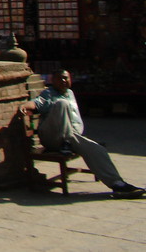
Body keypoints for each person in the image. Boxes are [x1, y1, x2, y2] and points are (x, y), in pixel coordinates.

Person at [20, 69, 143, 198]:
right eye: (60, 78)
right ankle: (66, 141)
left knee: (97, 149)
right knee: (62, 103)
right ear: (53, 81)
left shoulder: (70, 93)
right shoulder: (49, 93)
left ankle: (118, 185)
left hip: (71, 138)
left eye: (66, 78)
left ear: (70, 80)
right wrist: (25, 106)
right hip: (52, 137)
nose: (63, 81)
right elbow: (37, 103)